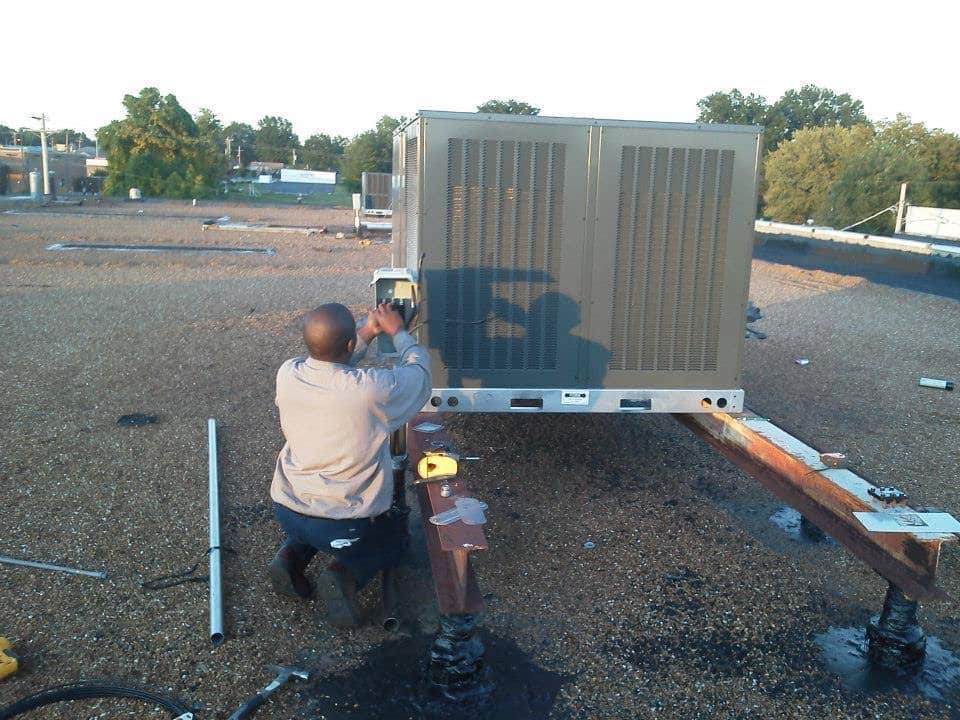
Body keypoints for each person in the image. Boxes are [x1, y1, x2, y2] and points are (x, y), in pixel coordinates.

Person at [268, 301, 431, 626]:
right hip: (345, 524)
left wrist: (369, 330)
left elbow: (334, 363)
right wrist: (398, 332)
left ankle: (290, 557)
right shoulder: (371, 391)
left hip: (287, 509)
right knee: (393, 539)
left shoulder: (288, 372)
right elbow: (419, 373)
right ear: (347, 344)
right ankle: (343, 574)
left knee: (312, 526)